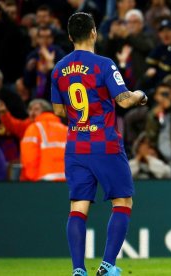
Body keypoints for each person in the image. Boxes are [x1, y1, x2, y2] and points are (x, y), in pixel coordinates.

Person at [51, 12, 147, 276]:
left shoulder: (59, 68)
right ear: (94, 32)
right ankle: (107, 265)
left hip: (76, 147)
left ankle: (78, 270)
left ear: (70, 36)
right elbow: (125, 100)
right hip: (104, 144)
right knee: (122, 202)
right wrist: (141, 95)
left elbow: (59, 111)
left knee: (78, 207)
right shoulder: (104, 65)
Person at [20, 100, 67, 181]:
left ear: (45, 110)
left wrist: (32, 180)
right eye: (30, 109)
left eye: (36, 109)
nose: (32, 113)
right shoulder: (66, 129)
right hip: (68, 182)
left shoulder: (34, 129)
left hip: (44, 182)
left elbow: (29, 159)